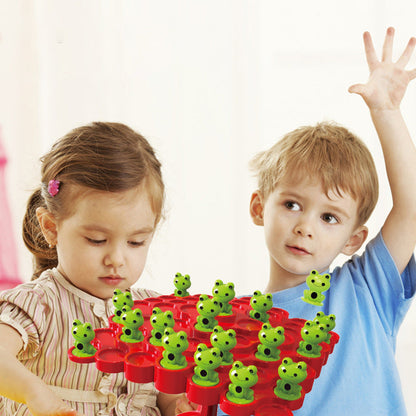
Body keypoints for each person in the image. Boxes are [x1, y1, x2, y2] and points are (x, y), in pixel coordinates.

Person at [218, 27, 416, 415]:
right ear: (259, 208)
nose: (305, 226)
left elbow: (411, 207)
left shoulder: (367, 290)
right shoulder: (230, 326)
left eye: (329, 217)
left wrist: (386, 112)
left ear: (353, 239)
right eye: (292, 204)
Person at [0, 122, 195, 415]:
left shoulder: (154, 314)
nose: (116, 258)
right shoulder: (39, 304)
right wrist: (33, 393)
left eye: (135, 241)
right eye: (97, 240)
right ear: (51, 228)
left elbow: (165, 393)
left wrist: (178, 407)